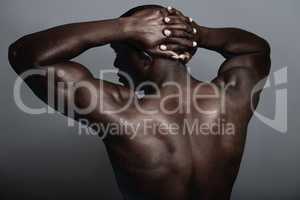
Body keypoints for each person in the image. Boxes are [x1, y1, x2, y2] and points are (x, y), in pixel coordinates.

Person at [8, 4, 271, 200]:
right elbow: (256, 49)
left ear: (145, 57)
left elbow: (26, 55)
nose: (116, 63)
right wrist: (199, 34)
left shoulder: (122, 112)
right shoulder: (231, 100)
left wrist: (125, 28)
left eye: (119, 52)